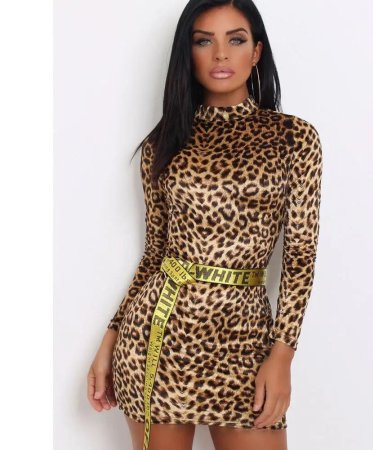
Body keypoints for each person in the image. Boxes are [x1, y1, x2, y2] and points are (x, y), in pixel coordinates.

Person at [87, 1, 323, 449]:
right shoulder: (163, 143)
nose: (220, 54)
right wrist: (111, 338)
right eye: (203, 41)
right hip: (159, 339)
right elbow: (155, 254)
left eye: (236, 39)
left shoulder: (293, 138)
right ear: (187, 53)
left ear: (256, 52)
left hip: (245, 344)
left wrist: (282, 355)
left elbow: (300, 258)